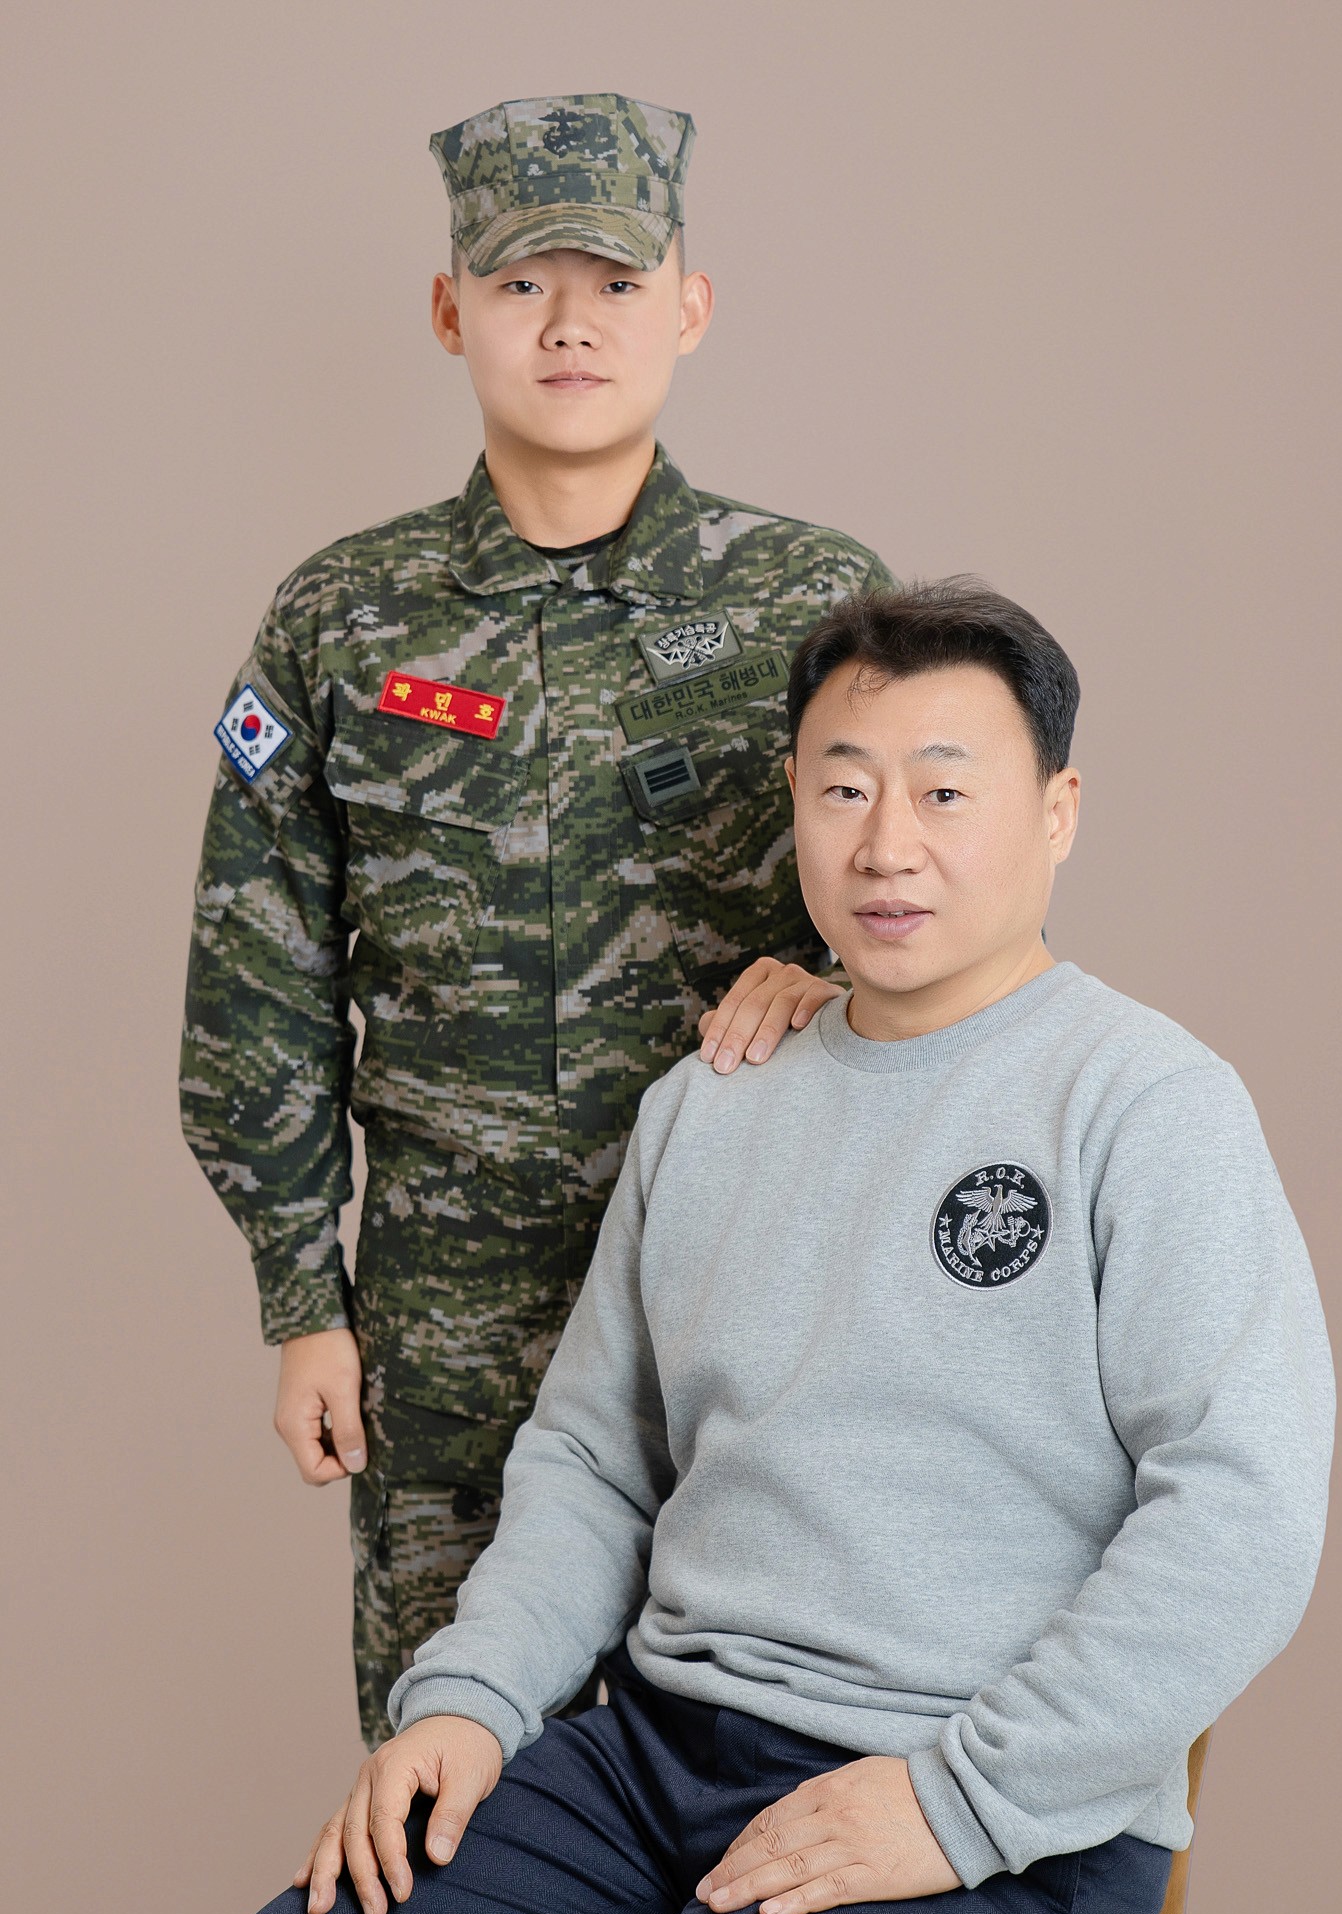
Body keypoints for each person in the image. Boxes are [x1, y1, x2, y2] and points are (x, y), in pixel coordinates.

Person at [192, 580, 1334, 1914]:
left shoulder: (1147, 1105)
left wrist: (956, 1800)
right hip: (659, 1754)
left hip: (994, 1817)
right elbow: (594, 1460)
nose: (887, 845)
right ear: (792, 801)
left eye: (944, 792)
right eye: (844, 790)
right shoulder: (709, 1104)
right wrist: (469, 1702)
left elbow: (1241, 1511)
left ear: (1057, 813)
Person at [180, 93, 894, 1744]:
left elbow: (940, 894)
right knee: (452, 1778)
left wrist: (841, 976)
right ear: (450, 312)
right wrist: (302, 1298)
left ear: (688, 308)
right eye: (519, 285)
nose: (570, 326)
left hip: (752, 1309)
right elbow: (255, 970)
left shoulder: (815, 603)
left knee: (749, 1775)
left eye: (615, 285)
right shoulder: (341, 617)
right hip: (451, 1331)